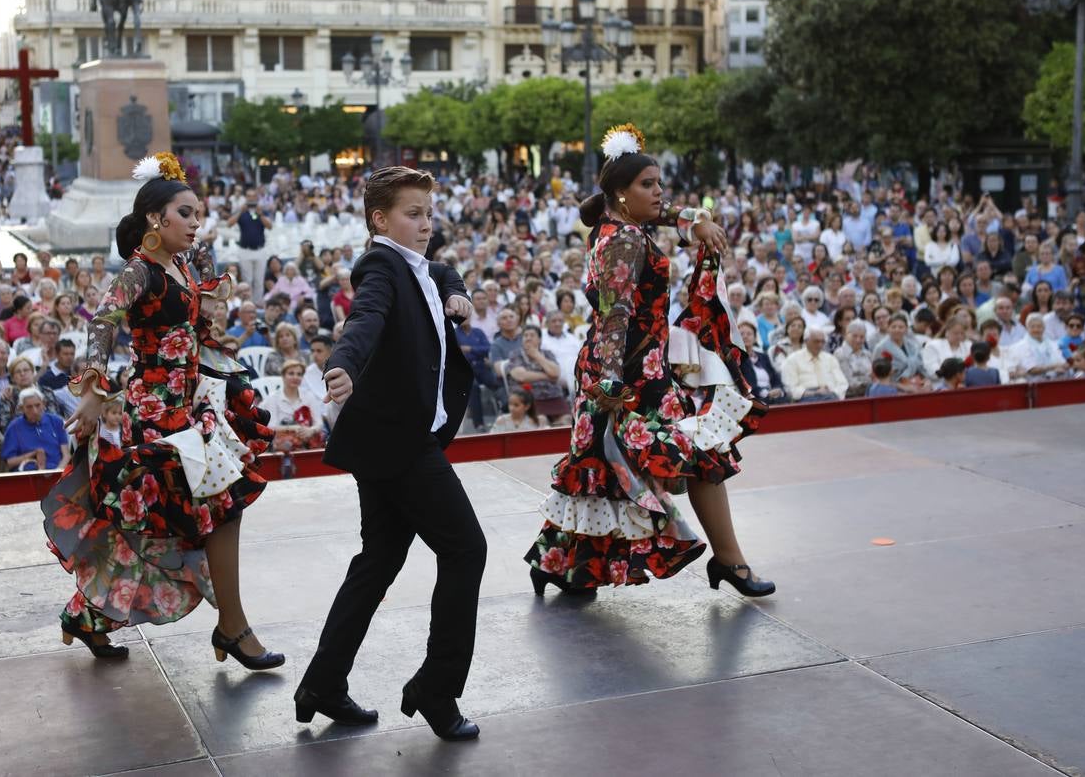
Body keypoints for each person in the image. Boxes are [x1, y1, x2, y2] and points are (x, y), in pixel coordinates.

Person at [43, 152, 281, 667]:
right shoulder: (140, 271)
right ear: (157, 219)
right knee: (212, 512)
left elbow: (194, 325)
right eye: (187, 214)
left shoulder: (183, 265)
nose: (197, 223)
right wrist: (92, 389)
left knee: (161, 527)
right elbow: (103, 321)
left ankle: (89, 617)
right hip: (155, 414)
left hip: (188, 407)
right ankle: (233, 630)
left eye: (198, 214)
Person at [525, 125, 773, 611]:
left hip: (635, 372)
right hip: (626, 378)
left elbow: (663, 216)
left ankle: (563, 567)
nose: (660, 193)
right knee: (694, 456)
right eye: (649, 185)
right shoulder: (626, 242)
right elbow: (615, 316)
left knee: (598, 469)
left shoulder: (620, 226)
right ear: (622, 192)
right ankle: (729, 561)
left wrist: (695, 218)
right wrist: (614, 382)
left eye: (661, 183)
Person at [297, 166, 484, 740]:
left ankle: (324, 682)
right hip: (401, 443)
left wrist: (455, 289)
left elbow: (440, 268)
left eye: (429, 214)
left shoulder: (415, 261)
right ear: (380, 220)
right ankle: (437, 687)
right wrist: (344, 365)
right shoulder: (381, 265)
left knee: (379, 559)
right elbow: (366, 317)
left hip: (385, 438)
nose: (427, 225)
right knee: (465, 548)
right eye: (414, 214)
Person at [260, 358, 327, 451]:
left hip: (306, 441)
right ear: (283, 376)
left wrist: (310, 430)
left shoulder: (309, 396)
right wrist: (293, 428)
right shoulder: (273, 398)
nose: (295, 377)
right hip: (280, 444)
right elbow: (271, 427)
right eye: (291, 373)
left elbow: (319, 423)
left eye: (299, 374)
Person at [0, 387, 70, 471]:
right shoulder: (14, 427)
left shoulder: (56, 421)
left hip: (56, 471)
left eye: (38, 405)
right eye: (29, 407)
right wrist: (33, 454)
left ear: (43, 404)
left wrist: (58, 472)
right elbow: (10, 462)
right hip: (27, 475)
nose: (35, 411)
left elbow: (66, 455)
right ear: (21, 409)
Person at [780, 328, 849, 401]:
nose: (820, 345)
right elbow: (790, 388)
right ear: (806, 341)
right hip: (807, 397)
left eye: (822, 342)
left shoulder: (830, 359)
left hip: (831, 395)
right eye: (816, 341)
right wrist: (814, 393)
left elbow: (842, 383)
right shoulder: (792, 360)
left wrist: (833, 393)